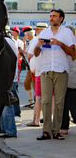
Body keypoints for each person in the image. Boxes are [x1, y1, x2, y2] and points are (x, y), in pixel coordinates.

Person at [34, 9, 75, 140]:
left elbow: (73, 54)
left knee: (59, 102)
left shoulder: (67, 33)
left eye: (55, 16)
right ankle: (46, 131)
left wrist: (60, 44)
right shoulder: (44, 32)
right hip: (45, 70)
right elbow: (35, 54)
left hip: (61, 70)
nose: (51, 18)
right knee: (45, 101)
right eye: (50, 16)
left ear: (61, 19)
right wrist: (38, 45)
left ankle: (56, 131)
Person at [26, 22, 48, 127]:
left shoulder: (36, 40)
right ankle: (49, 120)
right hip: (48, 71)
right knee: (50, 98)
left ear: (38, 30)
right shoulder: (50, 39)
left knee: (38, 97)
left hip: (38, 72)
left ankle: (36, 120)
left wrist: (32, 68)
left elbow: (30, 55)